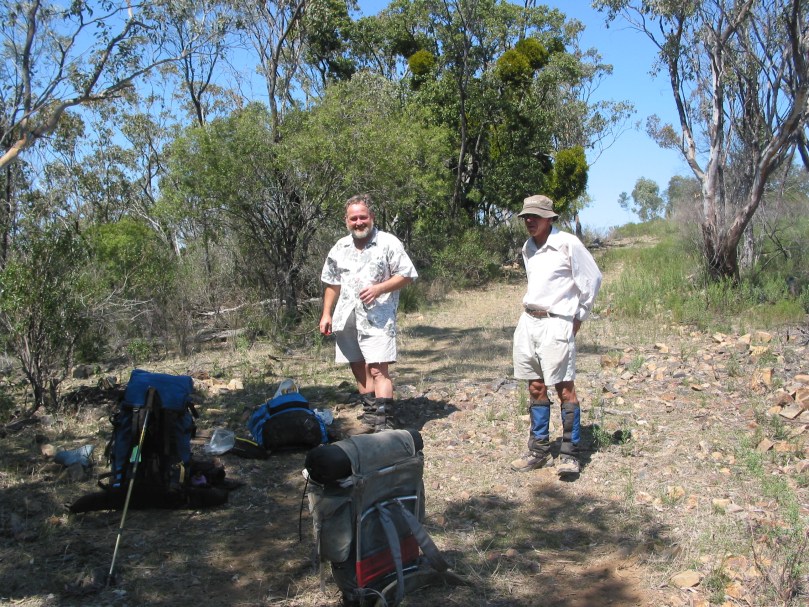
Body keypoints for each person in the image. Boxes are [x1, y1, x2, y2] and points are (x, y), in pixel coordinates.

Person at [510, 194, 602, 476]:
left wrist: (578, 317)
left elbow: (593, 279)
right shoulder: (528, 247)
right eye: (526, 216)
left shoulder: (567, 243)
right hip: (529, 321)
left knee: (564, 387)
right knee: (535, 386)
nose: (529, 221)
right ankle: (538, 450)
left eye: (535, 216)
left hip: (556, 322)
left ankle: (570, 453)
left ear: (549, 218)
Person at [320, 194, 418, 431]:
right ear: (346, 221)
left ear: (371, 217)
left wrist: (379, 289)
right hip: (347, 316)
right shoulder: (340, 247)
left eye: (363, 217)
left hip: (378, 318)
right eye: (354, 218)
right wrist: (326, 314)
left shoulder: (388, 242)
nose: (359, 222)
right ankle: (371, 416)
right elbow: (332, 283)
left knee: (377, 369)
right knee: (358, 367)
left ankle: (384, 424)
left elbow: (406, 274)